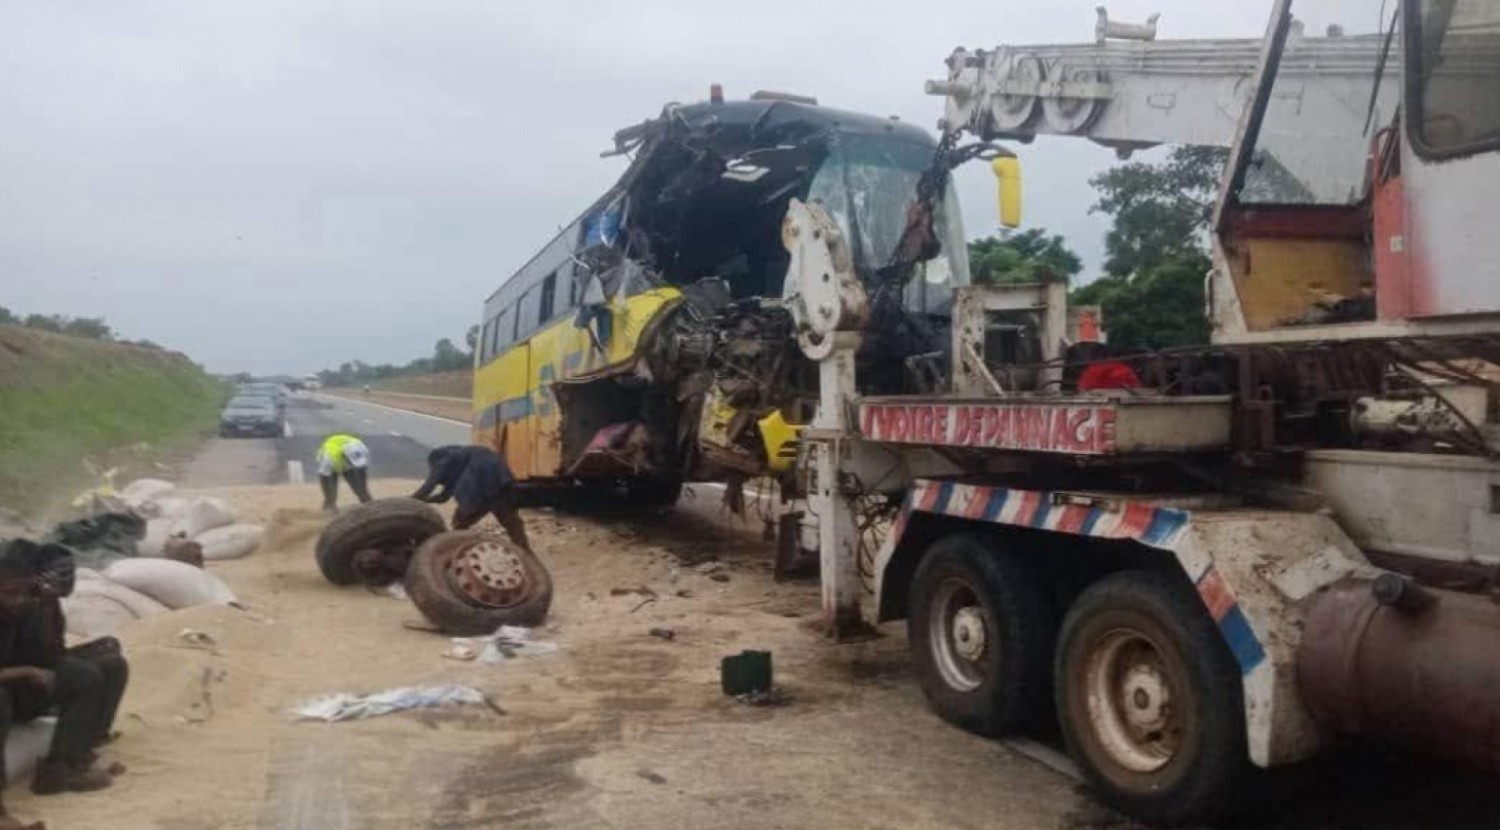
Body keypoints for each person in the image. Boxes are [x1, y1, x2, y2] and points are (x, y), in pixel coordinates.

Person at [0, 543, 117, 829]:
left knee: (89, 674)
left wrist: (46, 608)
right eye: (9, 593)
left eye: (23, 593)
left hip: (22, 687)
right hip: (9, 687)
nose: (17, 600)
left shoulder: (32, 606)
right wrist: (25, 671)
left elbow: (52, 656)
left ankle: (61, 767)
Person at [412, 445, 530, 551]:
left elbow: (430, 484)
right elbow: (443, 497)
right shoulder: (459, 464)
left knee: (459, 522)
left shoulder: (441, 457)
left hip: (480, 478)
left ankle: (455, 552)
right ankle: (528, 558)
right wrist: (425, 500)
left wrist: (412, 499)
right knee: (511, 523)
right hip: (499, 479)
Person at [316, 433, 373, 513]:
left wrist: (364, 492)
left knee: (362, 492)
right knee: (331, 498)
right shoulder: (328, 459)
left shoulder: (362, 449)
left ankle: (370, 508)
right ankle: (328, 510)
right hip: (332, 466)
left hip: (347, 463)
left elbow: (362, 470)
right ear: (345, 456)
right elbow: (324, 477)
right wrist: (330, 499)